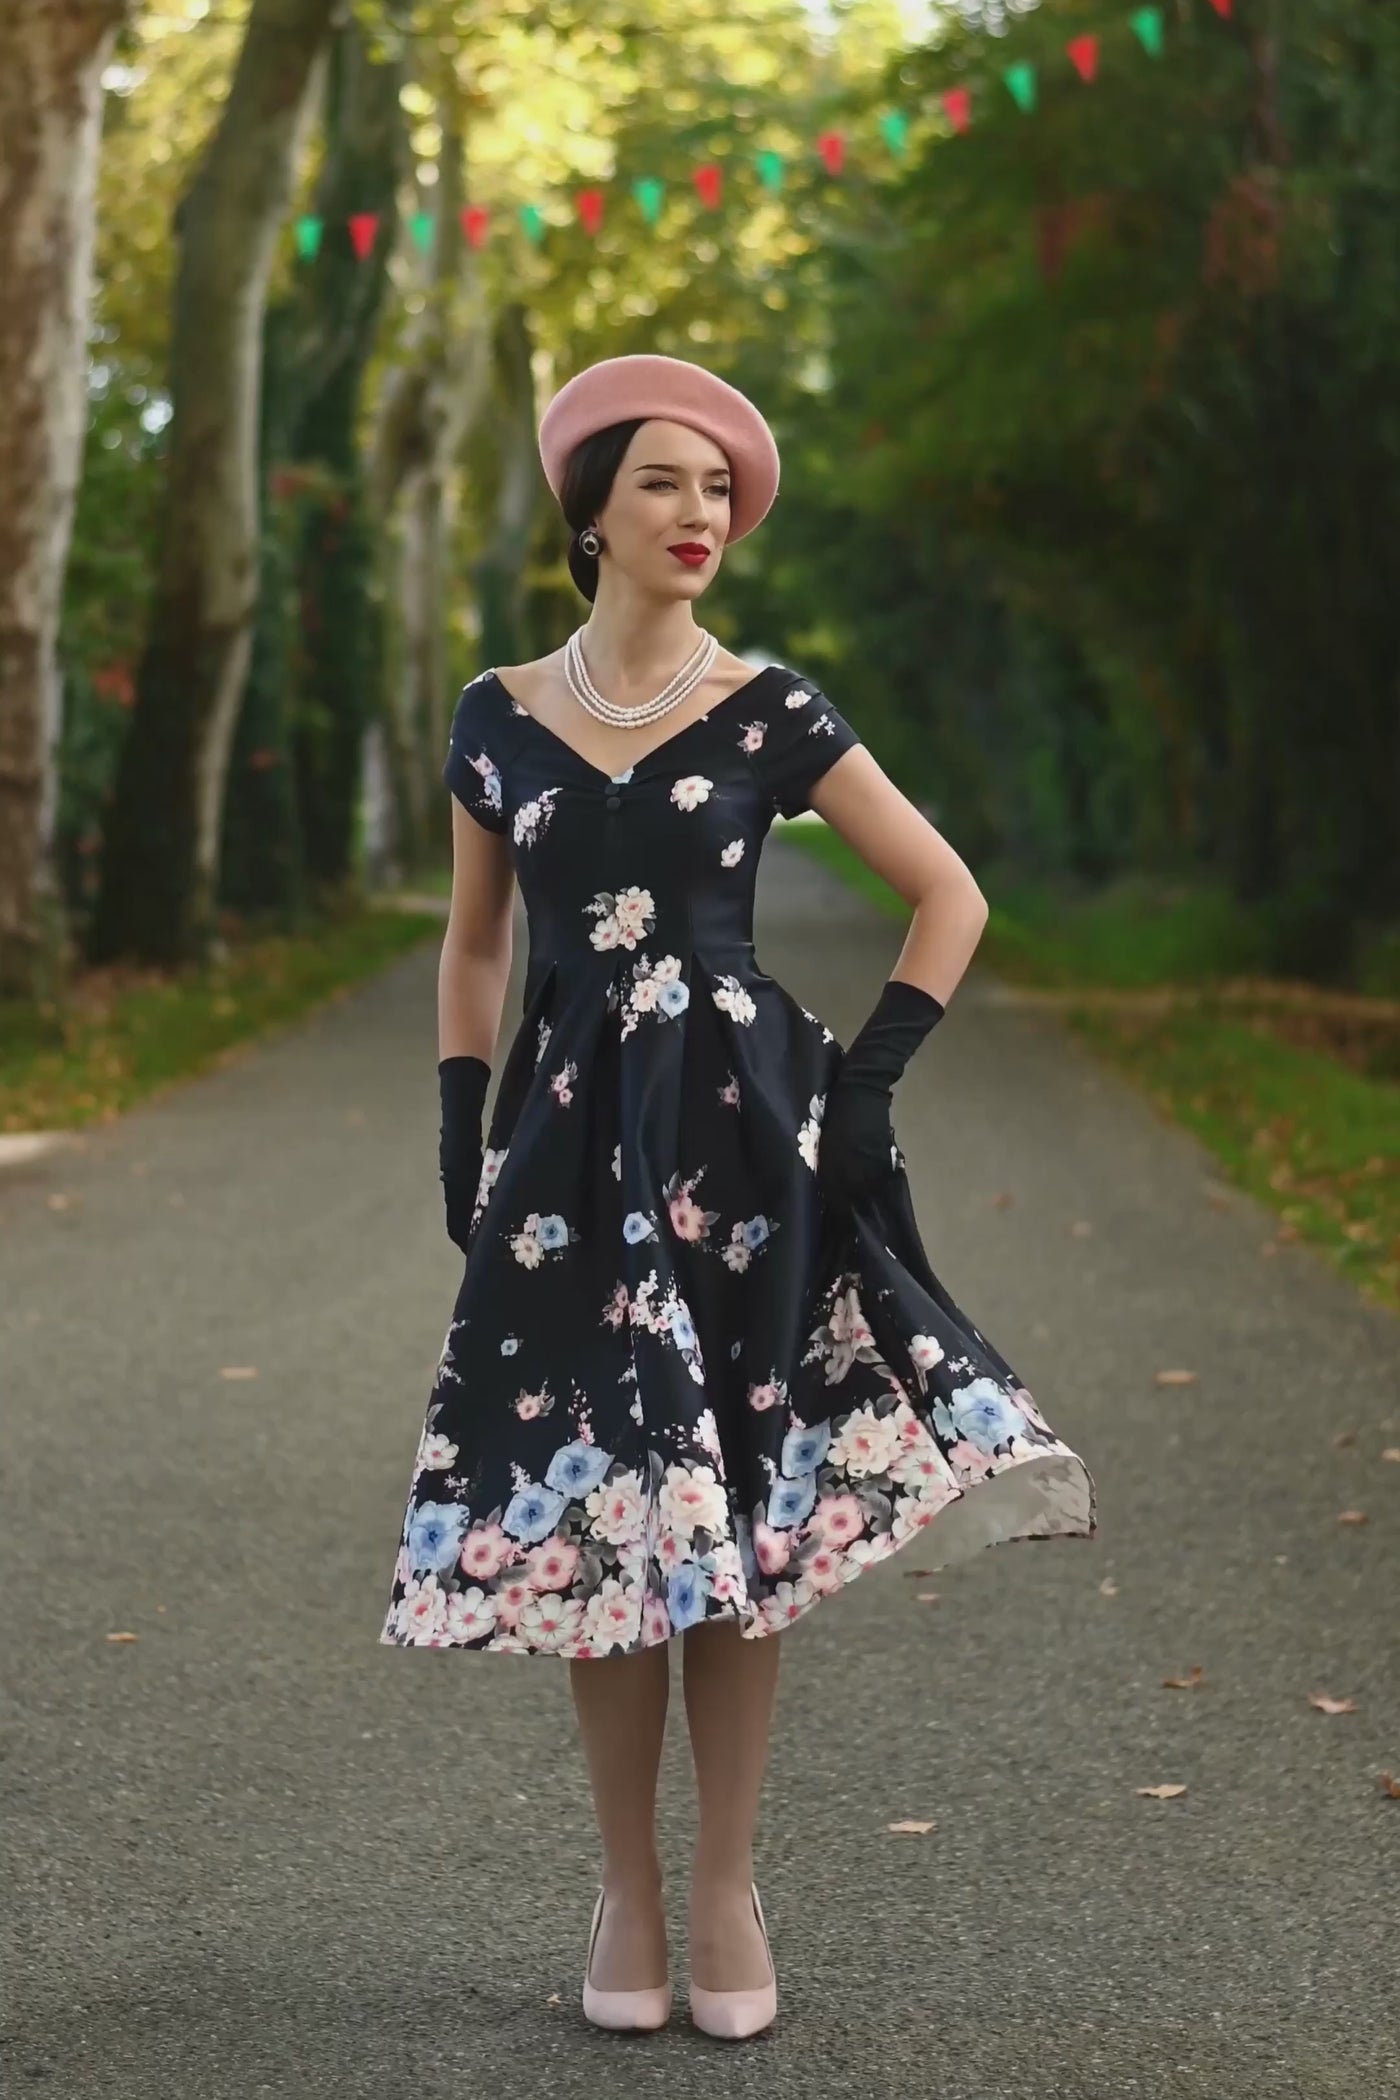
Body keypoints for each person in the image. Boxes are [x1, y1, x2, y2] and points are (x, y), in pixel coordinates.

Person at [379, 353, 1097, 2039]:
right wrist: (458, 1111)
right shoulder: (497, 716)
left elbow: (947, 894)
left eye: (719, 492)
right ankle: (626, 1891)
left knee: (740, 1506)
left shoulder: (771, 704)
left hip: (744, 1141)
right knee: (608, 1503)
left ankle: (724, 1889)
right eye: (664, 485)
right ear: (593, 514)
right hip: (564, 1151)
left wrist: (869, 1083)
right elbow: (480, 938)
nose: (701, 514)